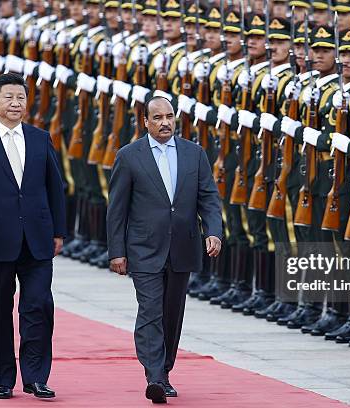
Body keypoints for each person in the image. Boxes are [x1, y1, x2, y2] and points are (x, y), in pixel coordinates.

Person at [106, 96, 222, 404]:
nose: (165, 122)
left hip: (182, 246)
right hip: (144, 248)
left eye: (169, 116)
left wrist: (213, 232)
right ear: (145, 121)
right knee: (150, 311)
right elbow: (116, 208)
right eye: (157, 117)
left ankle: (165, 371)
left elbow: (209, 198)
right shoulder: (130, 156)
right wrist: (117, 251)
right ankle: (154, 376)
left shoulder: (194, 154)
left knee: (172, 314)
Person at [0, 73, 67, 400]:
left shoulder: (39, 137)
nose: (15, 103)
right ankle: (2, 379)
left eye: (20, 97)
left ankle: (36, 377)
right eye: (8, 97)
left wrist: (59, 231)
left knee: (38, 307)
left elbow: (55, 187)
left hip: (38, 239)